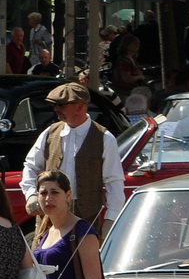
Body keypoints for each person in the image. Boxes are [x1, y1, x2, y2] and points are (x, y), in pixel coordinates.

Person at [20, 82, 125, 227]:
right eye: (55, 104)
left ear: (80, 107)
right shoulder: (50, 133)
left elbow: (114, 182)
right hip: (49, 220)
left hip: (85, 222)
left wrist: (111, 219)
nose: (56, 108)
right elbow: (30, 166)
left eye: (61, 105)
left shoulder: (104, 138)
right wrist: (31, 194)